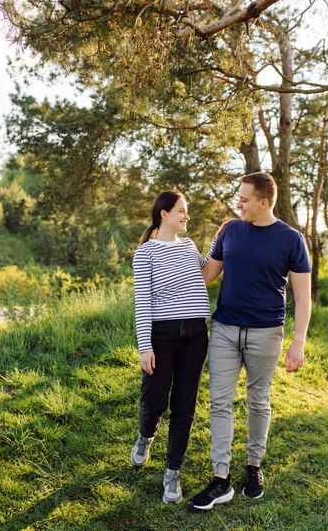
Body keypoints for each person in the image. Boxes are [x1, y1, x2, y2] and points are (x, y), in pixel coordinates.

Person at [189, 172, 311, 511]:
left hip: (266, 333)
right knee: (220, 402)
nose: (238, 202)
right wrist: (172, 251)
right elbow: (206, 275)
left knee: (258, 401)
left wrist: (298, 341)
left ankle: (253, 467)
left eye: (244, 197)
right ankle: (220, 478)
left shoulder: (291, 239)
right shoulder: (229, 230)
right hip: (226, 330)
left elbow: (302, 296)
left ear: (264, 202)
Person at [131, 190, 217, 504]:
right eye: (182, 211)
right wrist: (145, 347)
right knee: (155, 399)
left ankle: (172, 474)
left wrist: (216, 243)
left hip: (195, 333)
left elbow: (204, 274)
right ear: (164, 213)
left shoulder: (189, 245)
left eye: (187, 212)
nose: (187, 216)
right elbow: (142, 303)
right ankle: (145, 436)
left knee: (185, 405)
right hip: (162, 335)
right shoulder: (145, 253)